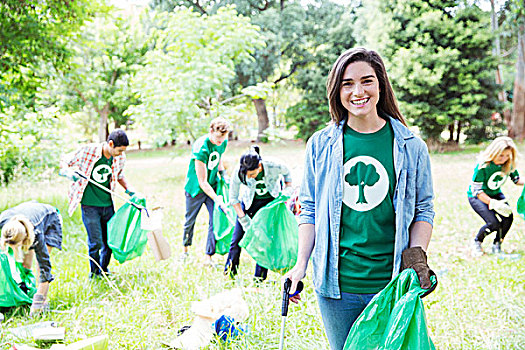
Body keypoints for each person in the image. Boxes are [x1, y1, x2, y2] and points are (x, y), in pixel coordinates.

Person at [283, 48, 436, 350]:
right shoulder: (321, 144)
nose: (358, 91)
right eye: (347, 84)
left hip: (391, 283)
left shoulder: (411, 146)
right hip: (337, 288)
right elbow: (309, 209)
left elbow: (423, 208)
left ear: (380, 84)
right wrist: (300, 265)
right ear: (337, 90)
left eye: (367, 81)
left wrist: (416, 257)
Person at [60, 129, 134, 279]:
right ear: (110, 144)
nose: (121, 154)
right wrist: (68, 173)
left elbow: (119, 175)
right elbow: (64, 162)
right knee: (95, 242)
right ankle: (94, 274)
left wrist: (129, 190)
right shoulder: (88, 151)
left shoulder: (119, 158)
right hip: (89, 205)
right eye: (119, 150)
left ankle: (104, 270)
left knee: (109, 241)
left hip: (107, 203)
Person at [224, 146, 293, 280]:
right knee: (236, 240)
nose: (248, 177)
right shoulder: (239, 172)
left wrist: (287, 191)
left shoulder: (274, 165)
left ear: (259, 166)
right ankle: (229, 275)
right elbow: (233, 199)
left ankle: (259, 279)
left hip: (269, 205)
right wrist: (244, 221)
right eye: (246, 175)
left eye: (251, 174)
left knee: (264, 242)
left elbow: (287, 174)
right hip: (249, 205)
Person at [182, 117, 231, 265]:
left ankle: (208, 257)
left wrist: (223, 175)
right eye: (218, 138)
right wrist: (217, 198)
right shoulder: (201, 148)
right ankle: (185, 251)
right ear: (211, 131)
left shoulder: (222, 142)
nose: (220, 142)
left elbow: (218, 158)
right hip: (195, 189)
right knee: (190, 220)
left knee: (214, 220)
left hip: (213, 185)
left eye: (223, 138)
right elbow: (202, 182)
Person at [0, 201, 63, 315]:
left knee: (40, 267)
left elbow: (45, 268)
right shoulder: (3, 221)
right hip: (26, 216)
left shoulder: (36, 235)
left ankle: (42, 301)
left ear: (24, 239)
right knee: (25, 265)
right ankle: (27, 292)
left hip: (50, 219)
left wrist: (38, 302)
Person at [467, 136, 523, 256]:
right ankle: (477, 241)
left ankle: (497, 244)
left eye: (507, 156)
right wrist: (493, 203)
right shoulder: (483, 166)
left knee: (508, 217)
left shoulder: (508, 164)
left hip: (495, 193)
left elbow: (516, 180)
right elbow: (477, 191)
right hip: (477, 196)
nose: (504, 159)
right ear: (494, 153)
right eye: (501, 155)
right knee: (493, 223)